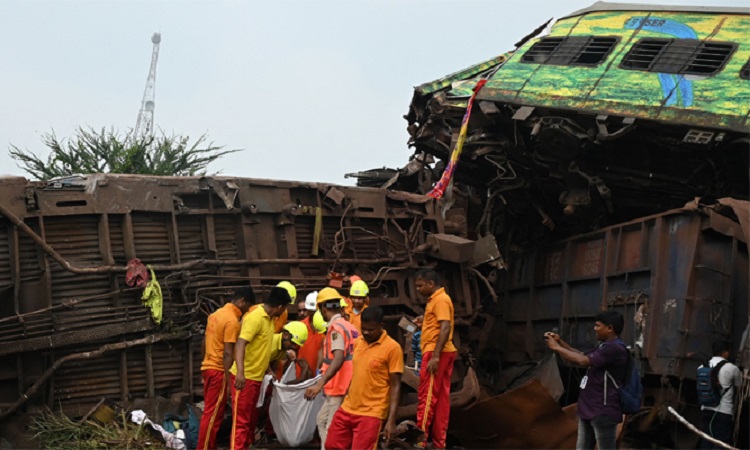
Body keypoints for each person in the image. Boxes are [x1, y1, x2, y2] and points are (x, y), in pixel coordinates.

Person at [545, 310, 629, 450]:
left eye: (597, 325)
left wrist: (557, 348)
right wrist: (560, 342)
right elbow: (580, 354)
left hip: (602, 410)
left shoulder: (615, 348)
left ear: (609, 328)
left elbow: (582, 361)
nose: (594, 329)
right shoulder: (604, 347)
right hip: (589, 408)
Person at [325, 306, 404, 450]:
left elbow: (396, 385)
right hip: (348, 408)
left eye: (371, 330)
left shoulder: (393, 348)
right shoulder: (358, 343)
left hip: (372, 413)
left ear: (381, 326)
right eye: (364, 328)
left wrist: (391, 420)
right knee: (331, 445)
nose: (366, 332)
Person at [229, 286, 290, 450]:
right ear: (279, 307)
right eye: (285, 308)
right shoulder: (255, 318)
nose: (284, 312)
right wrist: (240, 372)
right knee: (240, 422)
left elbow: (260, 349)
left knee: (249, 420)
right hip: (245, 378)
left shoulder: (269, 320)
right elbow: (241, 344)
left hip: (256, 378)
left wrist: (268, 371)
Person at [197, 287, 254, 450]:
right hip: (219, 370)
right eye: (247, 306)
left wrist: (204, 365)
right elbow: (228, 353)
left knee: (211, 413)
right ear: (242, 301)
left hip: (208, 367)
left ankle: (209, 446)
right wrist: (230, 382)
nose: (246, 311)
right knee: (212, 415)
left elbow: (203, 343)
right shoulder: (232, 321)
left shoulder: (215, 315)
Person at [304, 287, 359, 450]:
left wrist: (319, 383)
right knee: (322, 420)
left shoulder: (336, 329)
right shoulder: (350, 326)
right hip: (346, 383)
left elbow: (338, 357)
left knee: (332, 427)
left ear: (323, 308)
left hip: (340, 385)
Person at [414, 269, 457, 449]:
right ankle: (440, 444)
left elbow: (445, 328)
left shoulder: (440, 300)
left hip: (435, 353)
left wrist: (436, 356)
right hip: (442, 352)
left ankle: (420, 441)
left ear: (431, 284)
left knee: (427, 397)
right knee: (440, 401)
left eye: (420, 285)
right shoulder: (439, 300)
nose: (418, 289)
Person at [700, 340, 742, 448]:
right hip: (723, 411)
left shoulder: (701, 366)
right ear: (725, 352)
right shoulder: (732, 368)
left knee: (706, 440)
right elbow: (739, 385)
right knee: (720, 442)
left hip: (706, 408)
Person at [295, 292, 324, 382]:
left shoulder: (325, 327)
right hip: (302, 374)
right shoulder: (300, 325)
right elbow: (293, 348)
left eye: (314, 311)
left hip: (321, 375)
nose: (312, 313)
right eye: (310, 311)